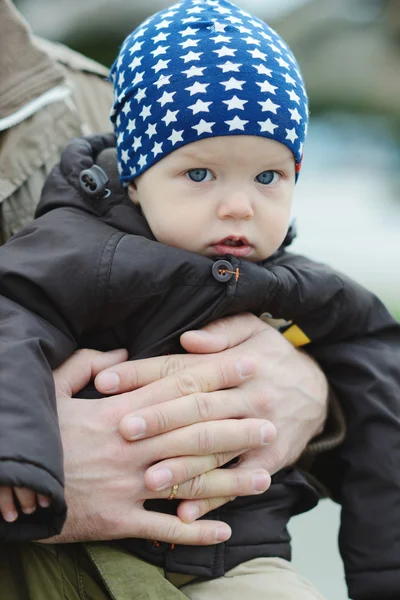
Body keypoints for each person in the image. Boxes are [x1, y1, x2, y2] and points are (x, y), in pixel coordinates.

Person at [0, 1, 388, 599]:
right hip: (93, 548)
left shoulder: (292, 279)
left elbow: (375, 359)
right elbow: (12, 322)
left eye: (267, 177)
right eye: (200, 175)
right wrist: (21, 458)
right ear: (135, 177)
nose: (239, 206)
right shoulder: (82, 251)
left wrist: (313, 384)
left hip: (236, 552)